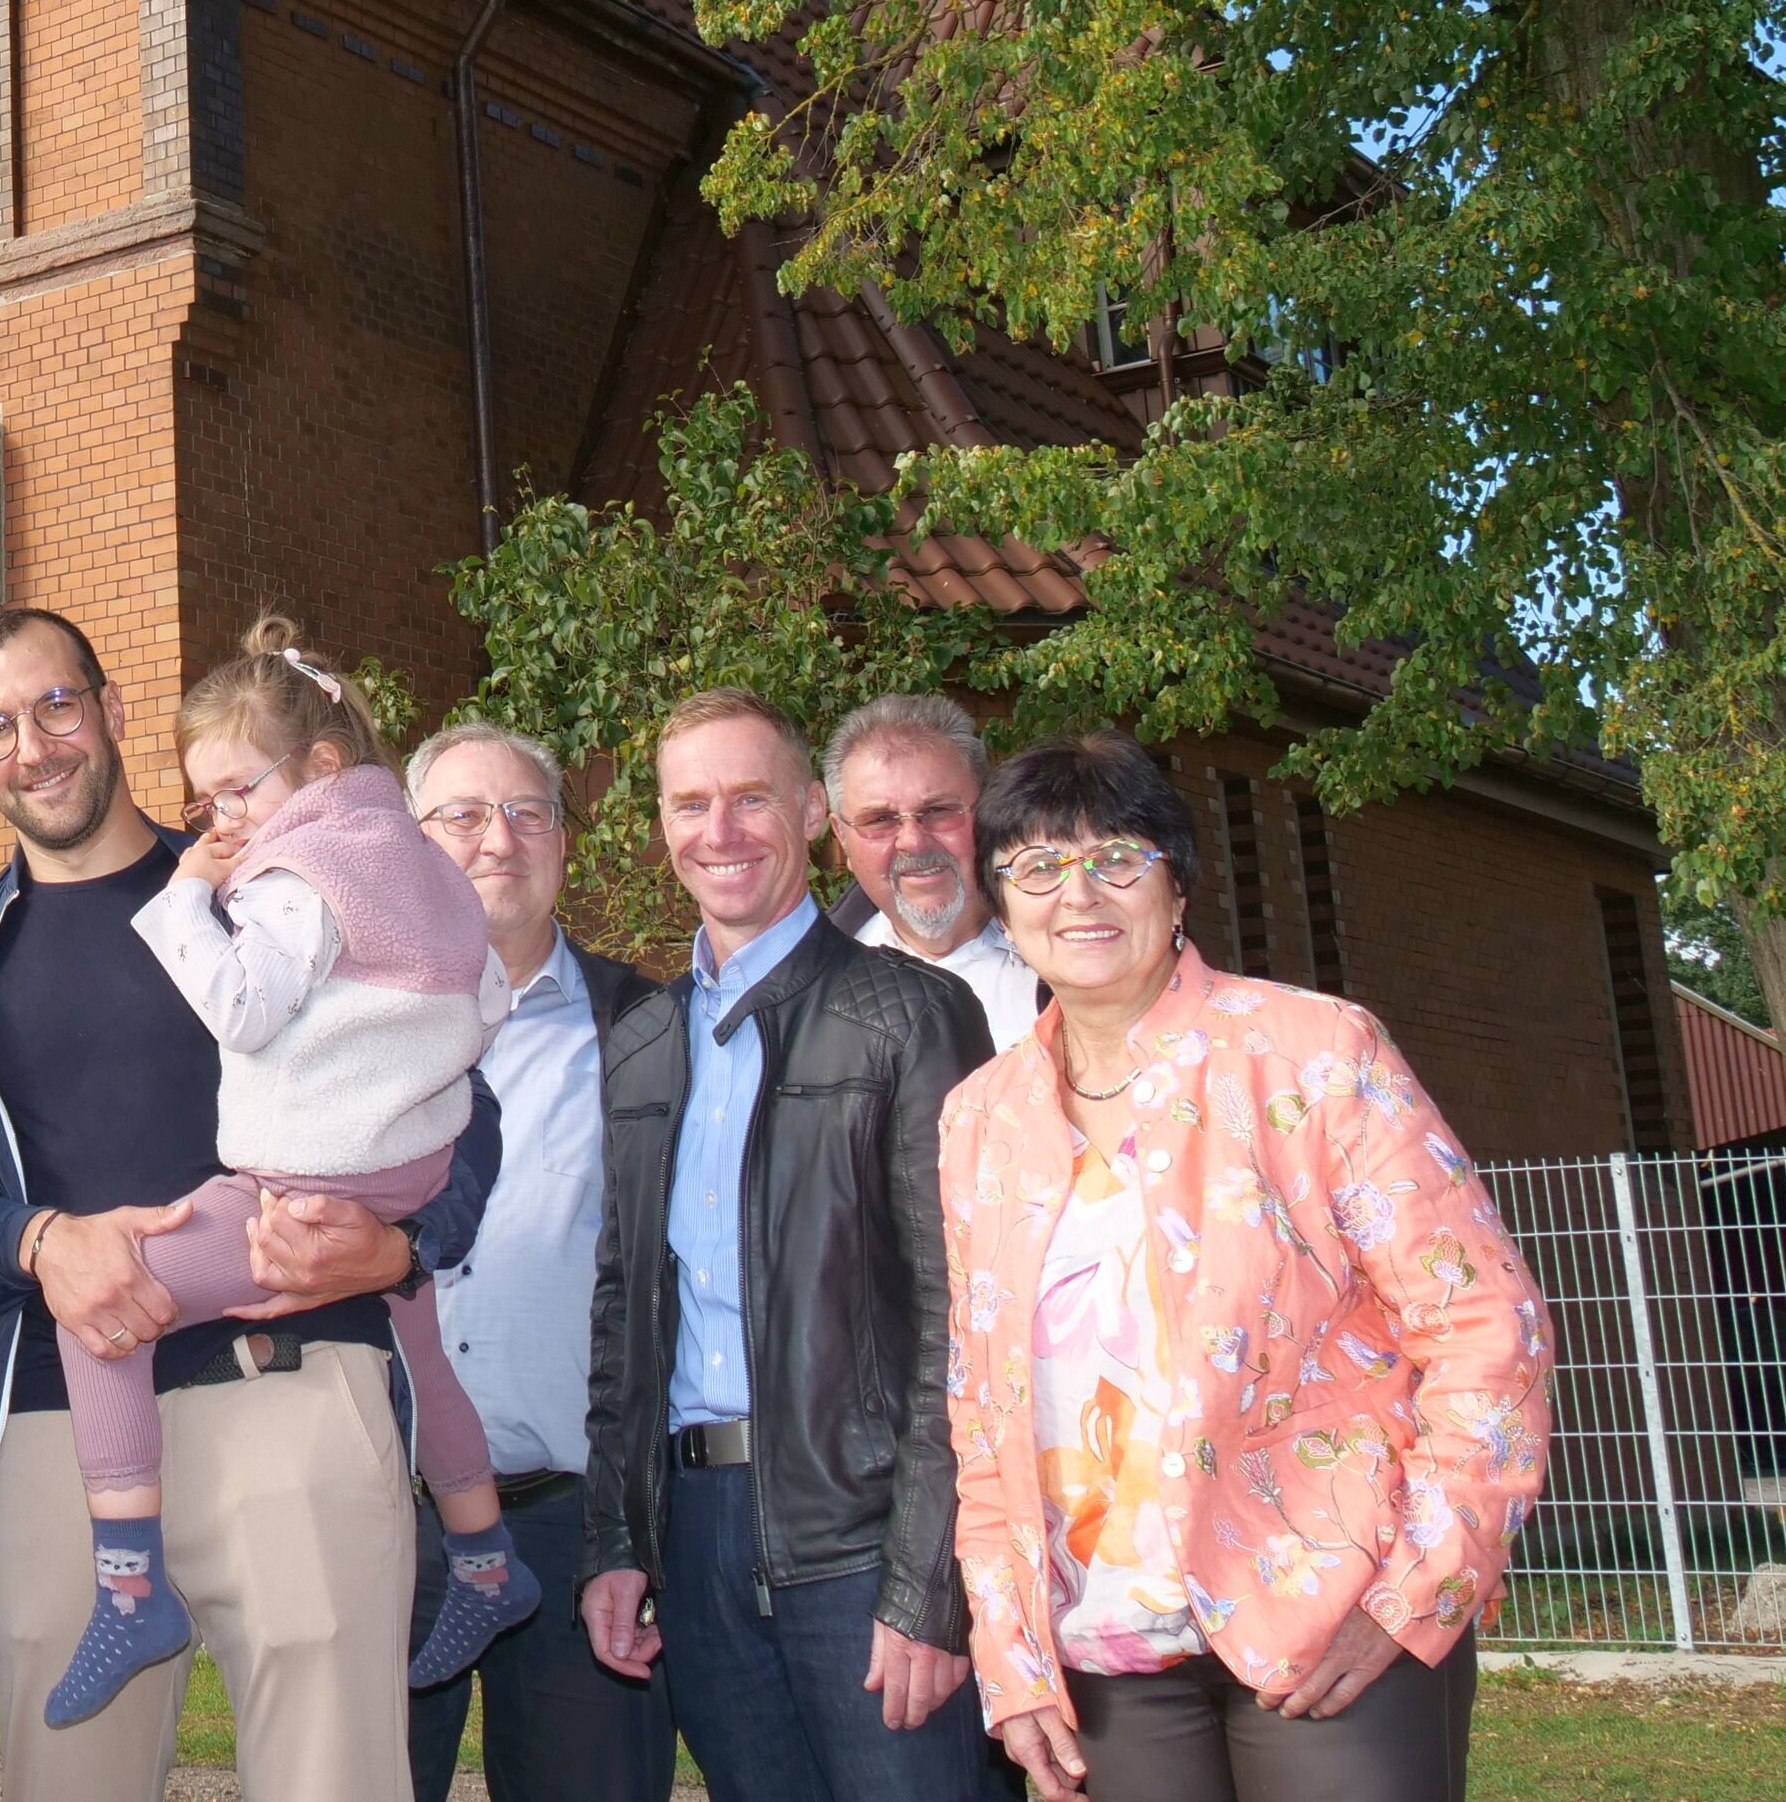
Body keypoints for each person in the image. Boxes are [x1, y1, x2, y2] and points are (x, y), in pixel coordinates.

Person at [0, 605, 502, 1800]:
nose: (36, 745)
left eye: (58, 705)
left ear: (114, 709)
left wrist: (398, 1248)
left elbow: (457, 1100)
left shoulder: (274, 879)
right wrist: (37, 1242)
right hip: (66, 1417)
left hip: (288, 1385)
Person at [941, 735, 1549, 1802]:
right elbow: (981, 1418)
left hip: (1327, 1615)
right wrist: (1013, 1654)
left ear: (1178, 884)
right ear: (1002, 902)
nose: (1077, 894)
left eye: (1117, 858)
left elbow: (1488, 1332)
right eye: (1035, 866)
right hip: (1106, 1649)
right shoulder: (980, 1120)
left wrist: (1413, 1593)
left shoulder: (1315, 1054)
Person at [48, 618, 522, 1725]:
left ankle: (128, 1588)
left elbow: (243, 1011)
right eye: (203, 800)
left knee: (106, 1291)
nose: (218, 821)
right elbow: (485, 1005)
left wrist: (181, 897)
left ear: (316, 770)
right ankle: (489, 1558)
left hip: (304, 1184)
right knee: (418, 1331)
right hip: (408, 1171)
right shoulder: (419, 861)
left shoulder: (295, 872)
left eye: (233, 792)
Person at [581, 686, 992, 1802]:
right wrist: (617, 1541)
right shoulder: (644, 1041)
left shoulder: (911, 1015)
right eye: (691, 803)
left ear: (811, 810)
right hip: (698, 1534)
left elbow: (959, 1321)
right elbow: (626, 1313)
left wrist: (929, 1585)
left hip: (860, 1535)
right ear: (662, 825)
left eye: (752, 798)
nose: (721, 832)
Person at [401, 721, 676, 1802]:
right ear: (414, 845)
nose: (497, 839)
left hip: (581, 1530)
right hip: (394, 1522)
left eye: (526, 813)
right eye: (462, 815)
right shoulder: (349, 1028)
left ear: (563, 843)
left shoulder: (651, 1030)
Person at [827, 696, 1040, 1054]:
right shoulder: (807, 987)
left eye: (939, 811)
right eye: (880, 819)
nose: (912, 841)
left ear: (988, 811)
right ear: (842, 839)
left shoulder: (1075, 957)